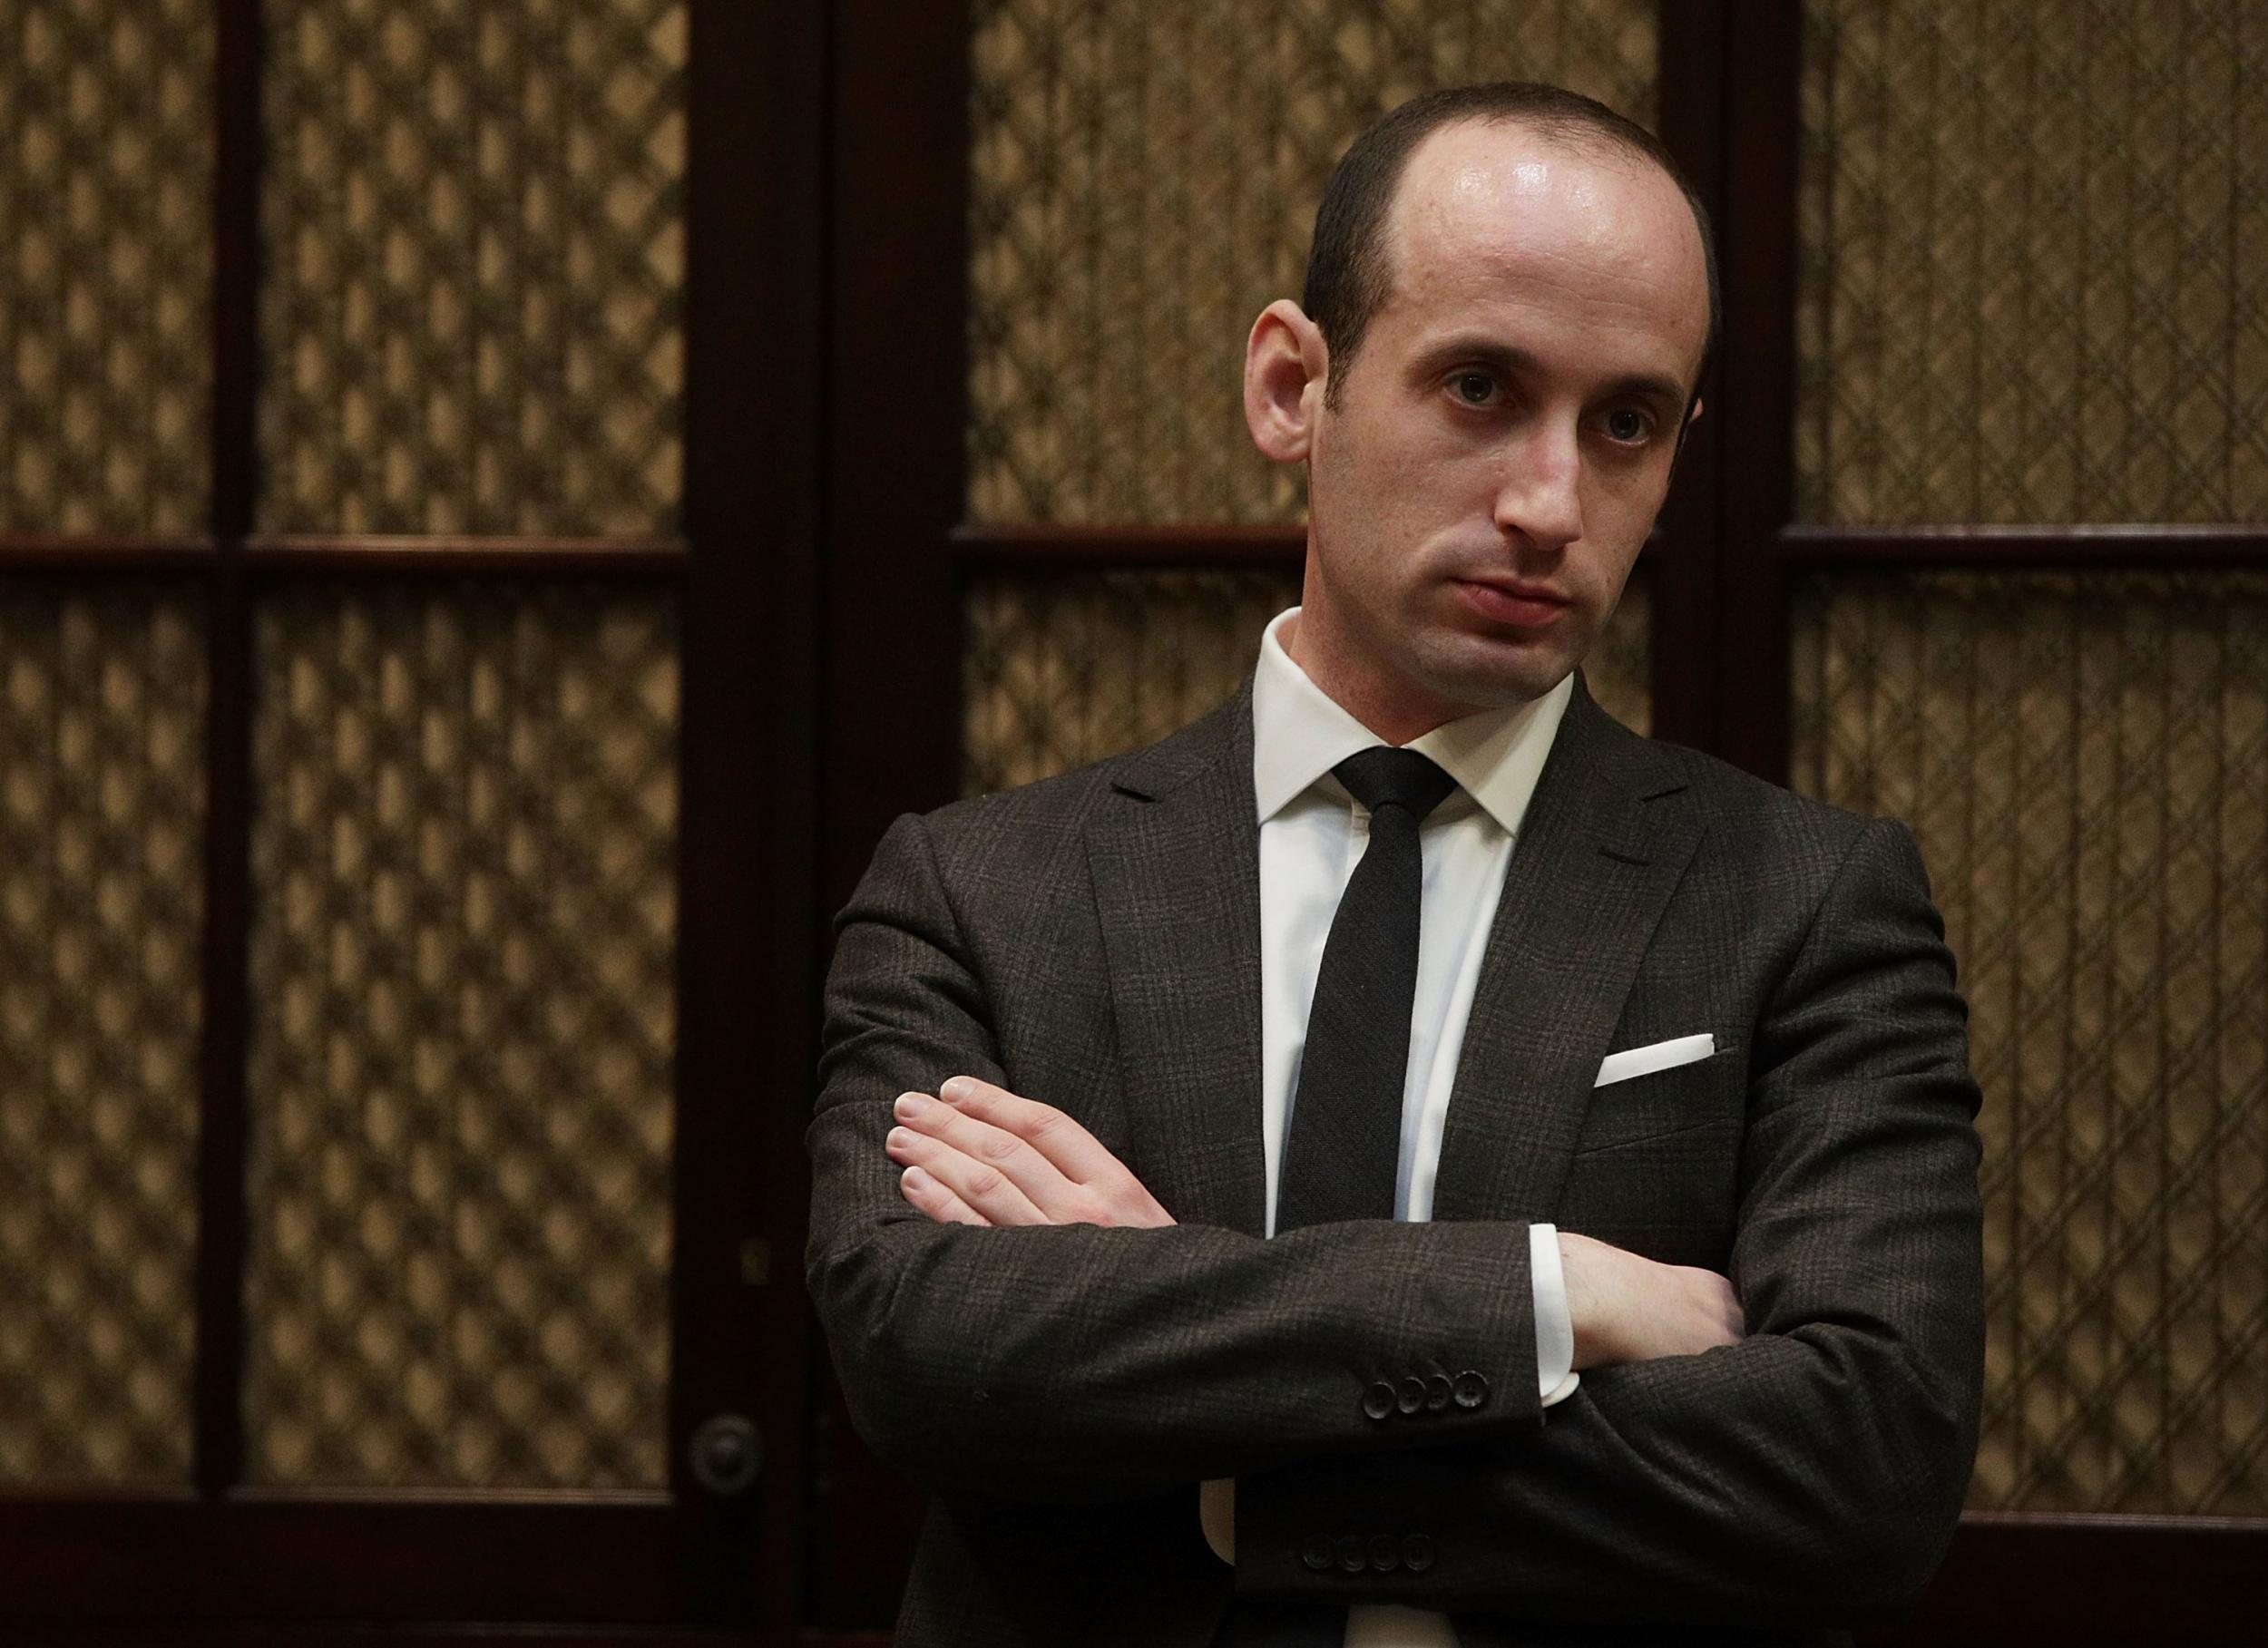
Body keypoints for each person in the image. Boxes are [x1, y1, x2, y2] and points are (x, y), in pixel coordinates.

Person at [807, 82, 1983, 1648]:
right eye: (1481, 387)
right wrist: (1544, 1292)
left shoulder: (1809, 902)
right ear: (1296, 384)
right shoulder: (981, 892)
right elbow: (924, 1353)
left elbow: (1864, 1466)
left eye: (1625, 421)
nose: (1550, 503)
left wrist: (1217, 1422)